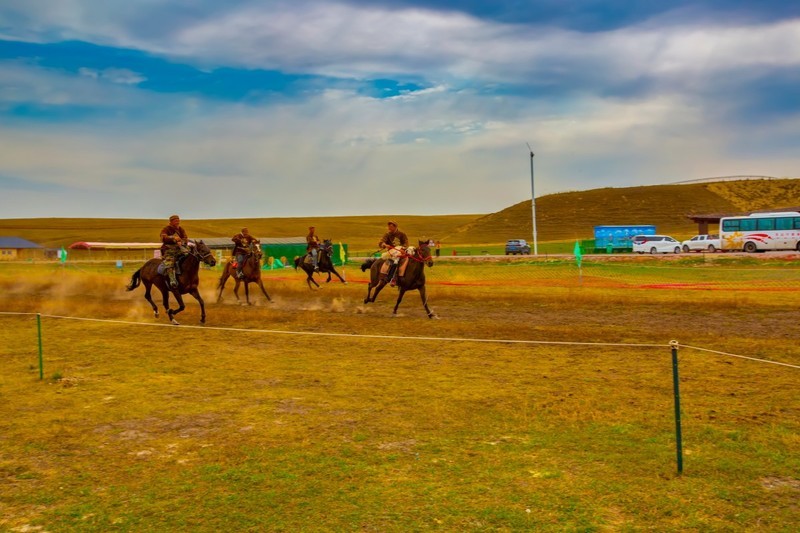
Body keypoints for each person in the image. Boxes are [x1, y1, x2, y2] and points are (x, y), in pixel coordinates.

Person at [160, 214, 188, 289]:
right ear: (171, 222)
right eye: (175, 221)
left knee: (190, 257)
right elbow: (163, 237)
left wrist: (182, 242)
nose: (177, 222)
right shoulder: (166, 229)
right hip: (169, 250)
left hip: (180, 249)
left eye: (178, 220)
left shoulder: (181, 229)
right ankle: (172, 280)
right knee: (170, 262)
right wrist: (173, 238)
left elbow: (185, 238)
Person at [378, 220, 409, 286]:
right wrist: (385, 245)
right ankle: (392, 278)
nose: (389, 228)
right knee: (395, 260)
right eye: (388, 227)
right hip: (392, 252)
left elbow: (406, 242)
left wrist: (403, 248)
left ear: (395, 227)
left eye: (391, 227)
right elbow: (381, 242)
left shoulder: (402, 234)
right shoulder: (387, 234)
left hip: (402, 250)